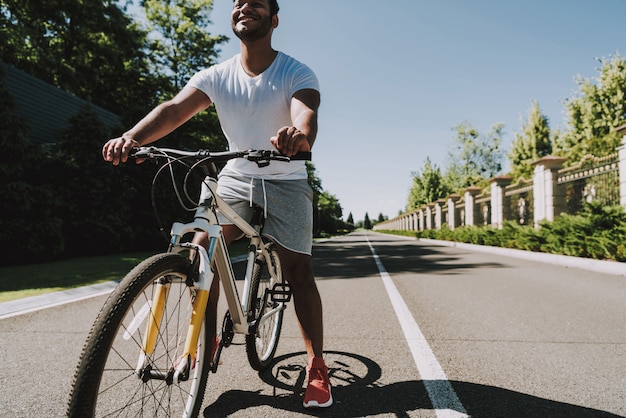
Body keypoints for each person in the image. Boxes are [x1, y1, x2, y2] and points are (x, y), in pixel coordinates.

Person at [102, 0, 332, 409]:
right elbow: (174, 109)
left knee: (299, 271)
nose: (246, 6)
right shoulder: (217, 75)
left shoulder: (295, 71)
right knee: (199, 249)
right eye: (239, 2)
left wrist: (298, 136)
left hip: (285, 179)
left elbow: (305, 114)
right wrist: (133, 137)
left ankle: (316, 365)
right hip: (235, 177)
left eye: (257, 3)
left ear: (274, 19)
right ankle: (203, 342)